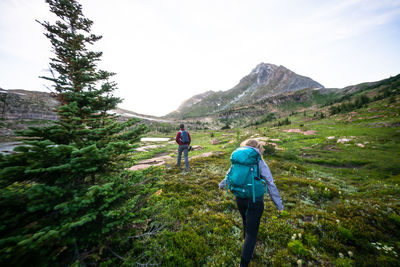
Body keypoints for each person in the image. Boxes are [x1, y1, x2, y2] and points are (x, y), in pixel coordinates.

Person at [219, 139, 283, 267]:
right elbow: (270, 182)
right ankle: (244, 262)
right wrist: (279, 205)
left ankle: (246, 247)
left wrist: (221, 185)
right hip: (255, 200)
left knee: (245, 224)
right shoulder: (257, 159)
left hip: (239, 197)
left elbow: (229, 174)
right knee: (252, 233)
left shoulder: (239, 158)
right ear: (258, 147)